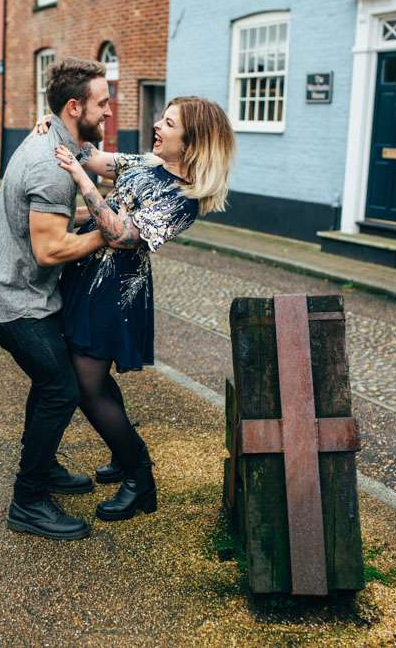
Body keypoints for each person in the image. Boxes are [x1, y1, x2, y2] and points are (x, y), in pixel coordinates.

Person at [43, 96, 235, 521]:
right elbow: (93, 157)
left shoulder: (183, 199)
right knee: (94, 380)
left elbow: (122, 237)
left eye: (169, 123)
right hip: (84, 280)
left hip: (113, 295)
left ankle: (139, 477)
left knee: (87, 387)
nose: (158, 126)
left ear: (193, 142)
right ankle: (125, 452)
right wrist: (55, 123)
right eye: (162, 119)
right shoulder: (146, 163)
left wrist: (80, 178)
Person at [0, 58, 114, 541]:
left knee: (50, 382)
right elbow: (51, 250)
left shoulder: (61, 142)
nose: (110, 110)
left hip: (22, 291)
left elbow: (98, 175)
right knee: (61, 389)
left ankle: (43, 469)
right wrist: (112, 233)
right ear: (75, 107)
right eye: (102, 102)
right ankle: (28, 501)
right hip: (14, 299)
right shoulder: (50, 166)